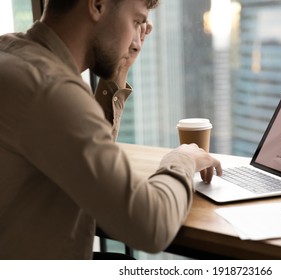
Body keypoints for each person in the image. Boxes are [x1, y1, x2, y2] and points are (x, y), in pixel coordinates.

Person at [0, 0, 222, 259]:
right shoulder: (50, 90)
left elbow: (81, 156)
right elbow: (150, 227)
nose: (136, 39)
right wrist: (182, 160)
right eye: (136, 21)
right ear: (97, 5)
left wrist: (119, 69)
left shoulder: (11, 53)